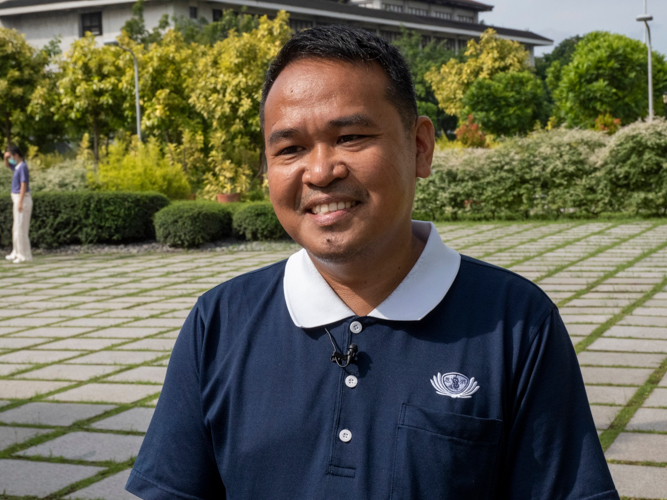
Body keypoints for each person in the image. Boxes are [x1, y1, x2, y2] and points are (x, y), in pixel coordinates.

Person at [126, 26, 618, 499]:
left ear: (420, 147)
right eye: (291, 148)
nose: (320, 171)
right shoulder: (219, 321)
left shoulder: (516, 323)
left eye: (351, 137)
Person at [3, 145, 32, 263]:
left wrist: (20, 202)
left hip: (22, 199)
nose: (10, 158)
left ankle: (24, 255)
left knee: (21, 229)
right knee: (16, 228)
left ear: (16, 155)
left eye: (11, 156)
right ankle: (16, 252)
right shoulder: (17, 166)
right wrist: (5, 158)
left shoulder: (22, 167)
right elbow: (8, 165)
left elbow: (23, 185)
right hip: (17, 199)